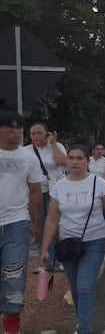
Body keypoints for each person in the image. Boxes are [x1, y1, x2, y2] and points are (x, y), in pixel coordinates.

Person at [41, 145, 105, 334]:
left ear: (87, 161)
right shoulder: (59, 186)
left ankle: (84, 329)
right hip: (68, 245)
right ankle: (82, 321)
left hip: (94, 241)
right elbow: (52, 218)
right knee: (76, 289)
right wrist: (44, 248)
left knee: (85, 286)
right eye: (71, 158)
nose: (74, 162)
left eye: (79, 158)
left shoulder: (98, 183)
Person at [0, 112, 43, 334]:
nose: (16, 132)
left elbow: (35, 191)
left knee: (14, 272)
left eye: (19, 129)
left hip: (16, 222)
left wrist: (35, 223)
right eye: (10, 128)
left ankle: (12, 326)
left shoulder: (28, 158)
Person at [24, 122, 66, 273]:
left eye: (39, 133)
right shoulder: (26, 151)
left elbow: (63, 162)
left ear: (47, 134)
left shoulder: (57, 146)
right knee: (39, 225)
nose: (36, 136)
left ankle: (59, 259)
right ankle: (45, 260)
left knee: (55, 225)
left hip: (55, 191)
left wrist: (53, 144)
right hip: (36, 192)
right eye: (33, 134)